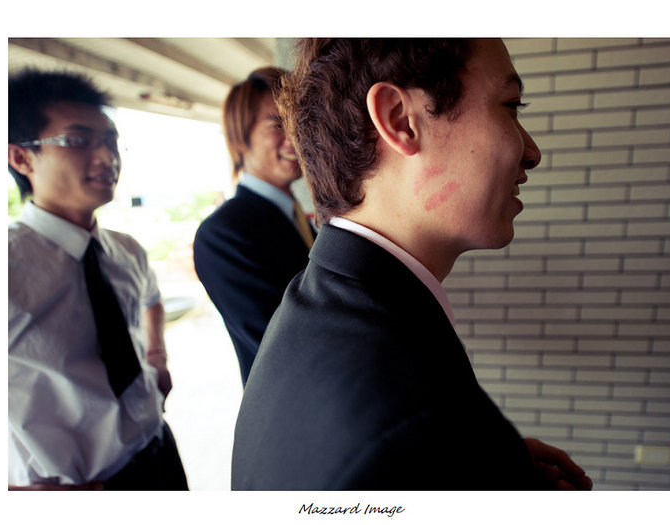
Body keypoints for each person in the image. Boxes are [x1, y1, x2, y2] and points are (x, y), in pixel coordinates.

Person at [231, 38, 593, 490]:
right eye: (510, 106)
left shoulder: (313, 307)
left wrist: (480, 463)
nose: (532, 152)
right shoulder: (410, 426)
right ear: (400, 119)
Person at [8, 69, 187, 490]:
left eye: (110, 140)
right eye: (79, 141)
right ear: (21, 158)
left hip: (158, 450)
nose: (107, 157)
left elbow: (152, 299)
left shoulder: (125, 250)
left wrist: (157, 358)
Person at [193, 67, 315, 385]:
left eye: (299, 122)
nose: (295, 137)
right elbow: (279, 344)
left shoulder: (301, 218)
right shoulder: (221, 234)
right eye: (278, 124)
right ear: (240, 136)